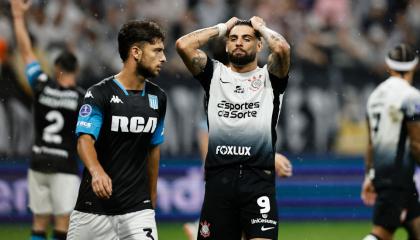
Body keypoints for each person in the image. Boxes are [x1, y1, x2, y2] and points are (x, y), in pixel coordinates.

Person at [176, 16, 290, 240]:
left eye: (247, 39)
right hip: (220, 183)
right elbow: (183, 45)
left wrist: (262, 28)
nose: (239, 42)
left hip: (258, 182)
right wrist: (222, 28)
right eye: (234, 38)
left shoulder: (270, 77)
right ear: (226, 44)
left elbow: (282, 48)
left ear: (259, 45)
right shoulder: (214, 75)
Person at [67, 20, 167, 240]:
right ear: (136, 52)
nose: (164, 58)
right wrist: (97, 171)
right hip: (93, 208)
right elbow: (84, 140)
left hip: (137, 209)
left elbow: (154, 150)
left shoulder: (158, 98)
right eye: (157, 51)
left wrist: (151, 200)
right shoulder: (99, 94)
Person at [10, 1, 84, 239]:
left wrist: (18, 18)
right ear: (76, 71)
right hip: (65, 163)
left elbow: (26, 52)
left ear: (56, 68)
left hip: (39, 160)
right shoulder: (82, 98)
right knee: (63, 222)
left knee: (39, 222)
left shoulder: (41, 85)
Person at [361, 43, 420, 240]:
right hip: (399, 175)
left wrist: (370, 175)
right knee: (382, 233)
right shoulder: (411, 96)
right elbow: (416, 142)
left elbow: (370, 142)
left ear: (388, 66)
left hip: (385, 173)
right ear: (414, 66)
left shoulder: (375, 96)